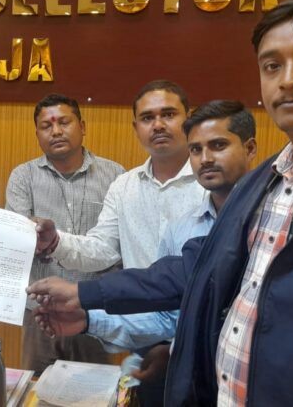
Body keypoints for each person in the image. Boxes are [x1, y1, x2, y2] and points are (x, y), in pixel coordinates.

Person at [30, 0, 293, 406]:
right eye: (272, 65)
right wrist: (85, 296)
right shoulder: (263, 181)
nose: (288, 79)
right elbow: (192, 270)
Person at [34, 100, 257, 384]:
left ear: (250, 148)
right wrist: (89, 320)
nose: (206, 158)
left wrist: (81, 292)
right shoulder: (180, 225)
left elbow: (171, 279)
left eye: (218, 146)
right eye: (196, 149)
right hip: (187, 370)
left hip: (253, 373)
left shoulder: (269, 216)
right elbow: (169, 312)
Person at [35, 80, 206, 405]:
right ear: (136, 127)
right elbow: (102, 249)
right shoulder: (124, 186)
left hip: (202, 339)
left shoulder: (211, 182)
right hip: (143, 333)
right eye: (147, 118)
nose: (158, 125)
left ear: (189, 119)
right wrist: (55, 241)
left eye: (168, 114)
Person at [5, 94, 124, 375]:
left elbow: (118, 243)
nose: (56, 131)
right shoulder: (23, 177)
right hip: (40, 311)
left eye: (64, 122)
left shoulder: (115, 175)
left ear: (82, 126)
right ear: (37, 134)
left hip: (94, 309)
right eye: (46, 126)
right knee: (37, 389)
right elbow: (19, 240)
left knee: (94, 390)